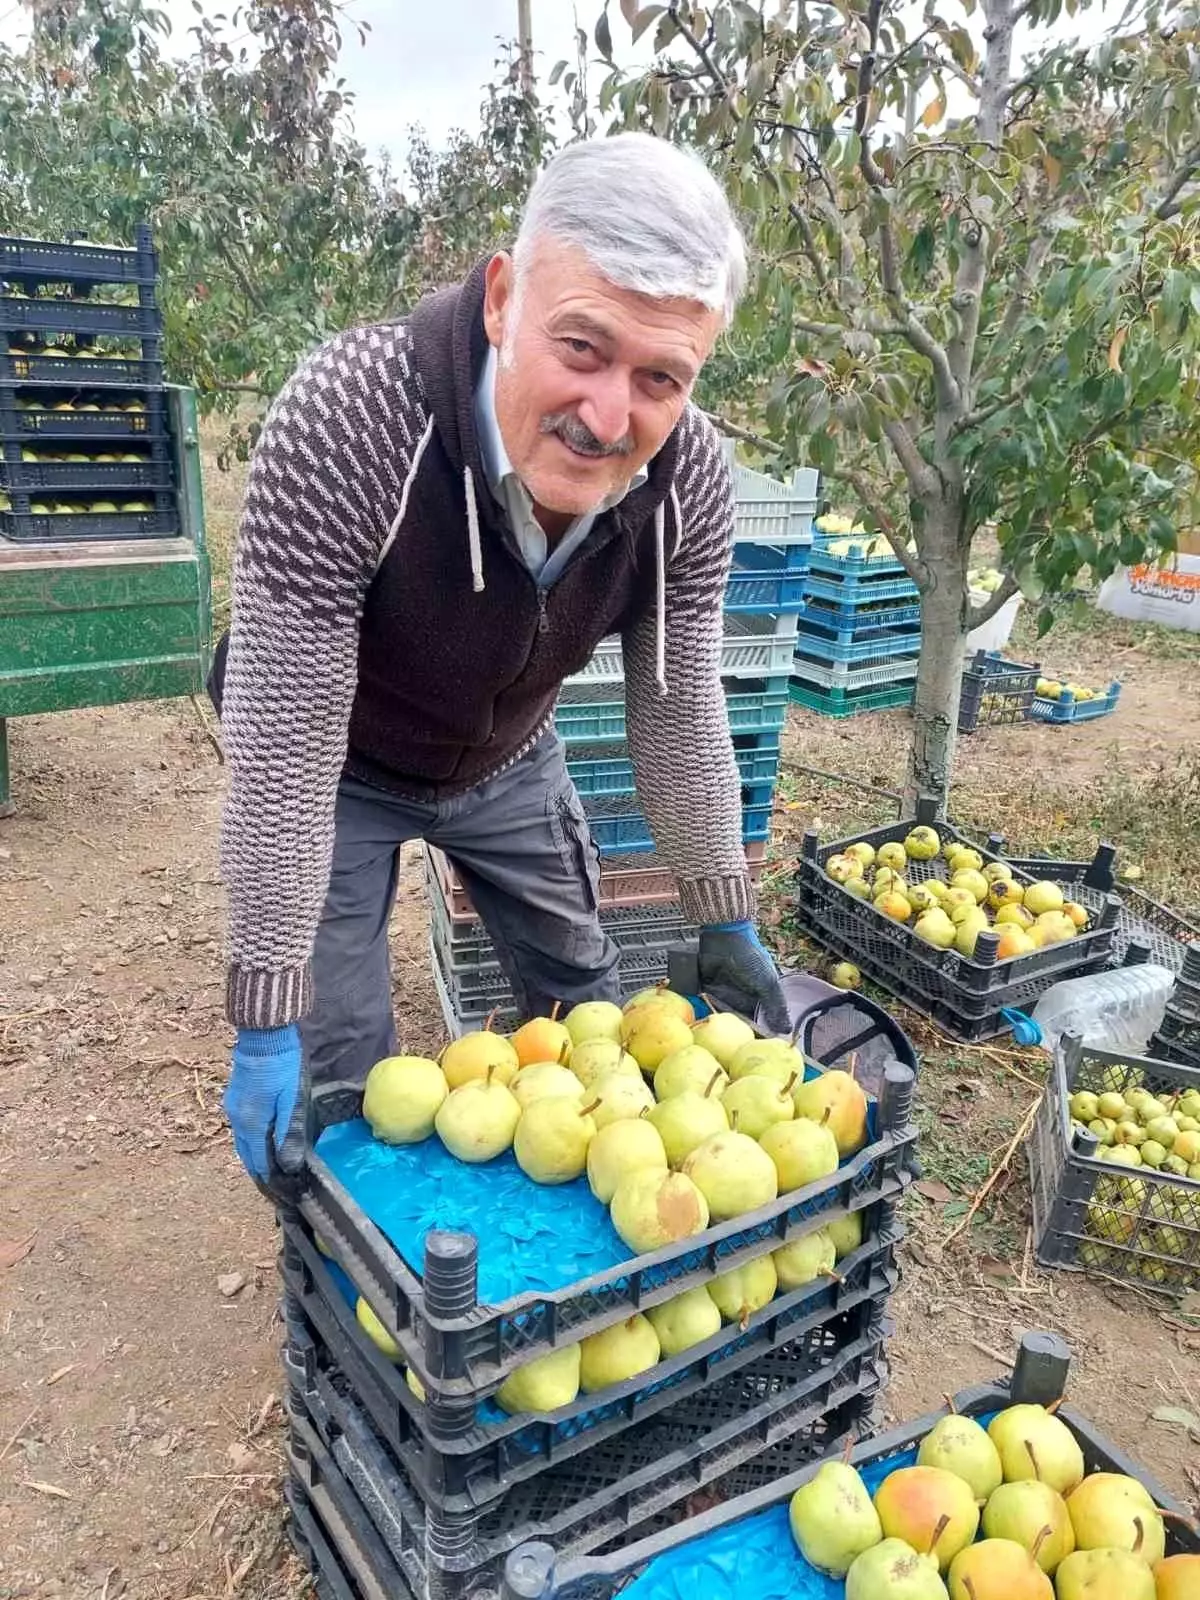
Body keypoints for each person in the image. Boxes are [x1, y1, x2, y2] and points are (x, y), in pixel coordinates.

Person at [211, 131, 790, 1199]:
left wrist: (725, 910)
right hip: (338, 759)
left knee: (586, 998)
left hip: (505, 756)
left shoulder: (690, 481)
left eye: (661, 376)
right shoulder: (351, 422)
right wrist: (262, 1010)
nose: (610, 416)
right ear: (500, 300)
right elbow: (284, 744)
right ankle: (358, 1283)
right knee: (341, 1068)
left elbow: (676, 703)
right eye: (582, 348)